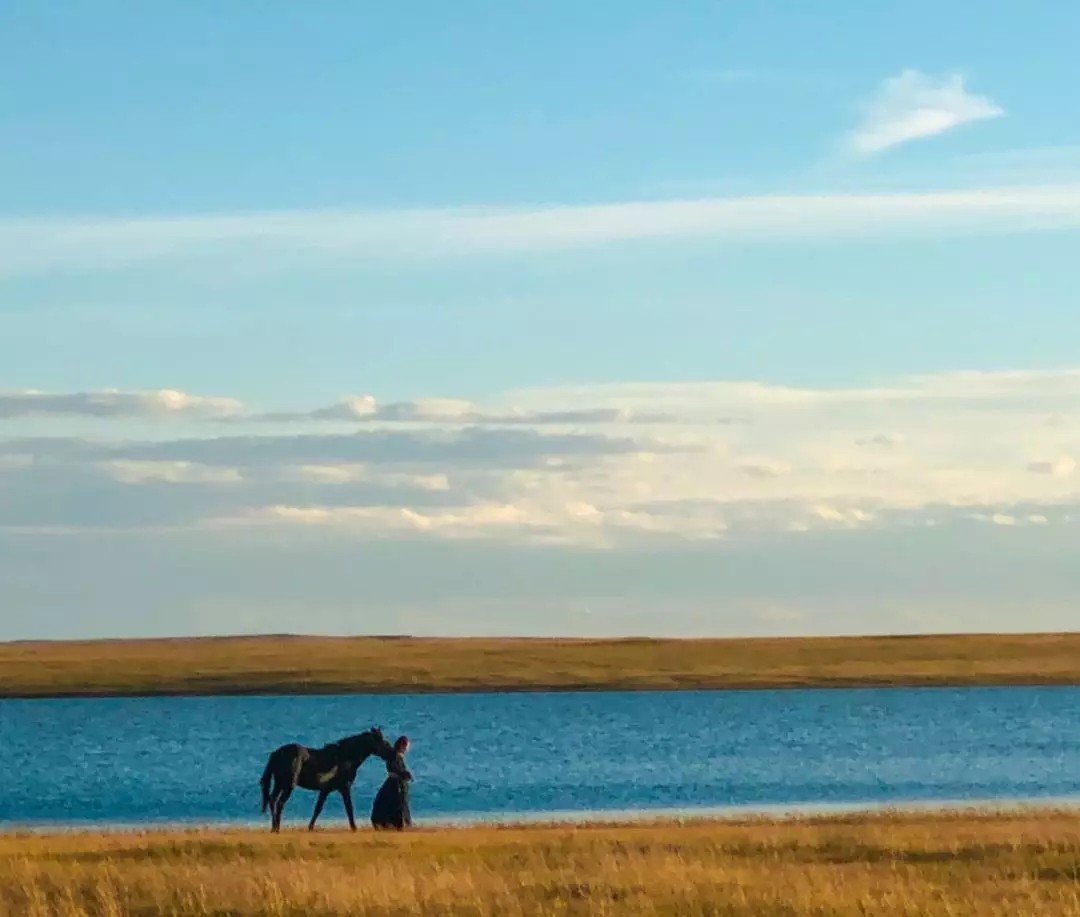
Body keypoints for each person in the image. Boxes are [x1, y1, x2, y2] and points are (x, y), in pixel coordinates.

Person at [370, 735, 412, 829]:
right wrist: (403, 774)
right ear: (403, 745)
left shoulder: (395, 755)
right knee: (396, 803)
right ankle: (396, 823)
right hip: (395, 783)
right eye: (407, 746)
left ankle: (394, 823)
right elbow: (395, 769)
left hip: (394, 782)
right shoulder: (395, 755)